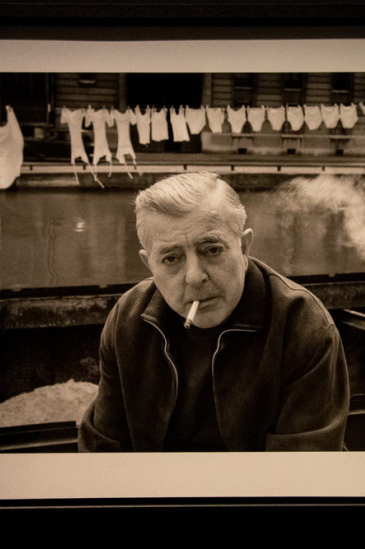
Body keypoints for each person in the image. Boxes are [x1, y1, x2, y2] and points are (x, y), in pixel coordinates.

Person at [78, 172, 349, 452]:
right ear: (150, 265)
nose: (194, 277)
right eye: (171, 258)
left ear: (243, 248)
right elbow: (103, 452)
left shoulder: (302, 325)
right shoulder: (127, 321)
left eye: (212, 250)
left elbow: (300, 473)